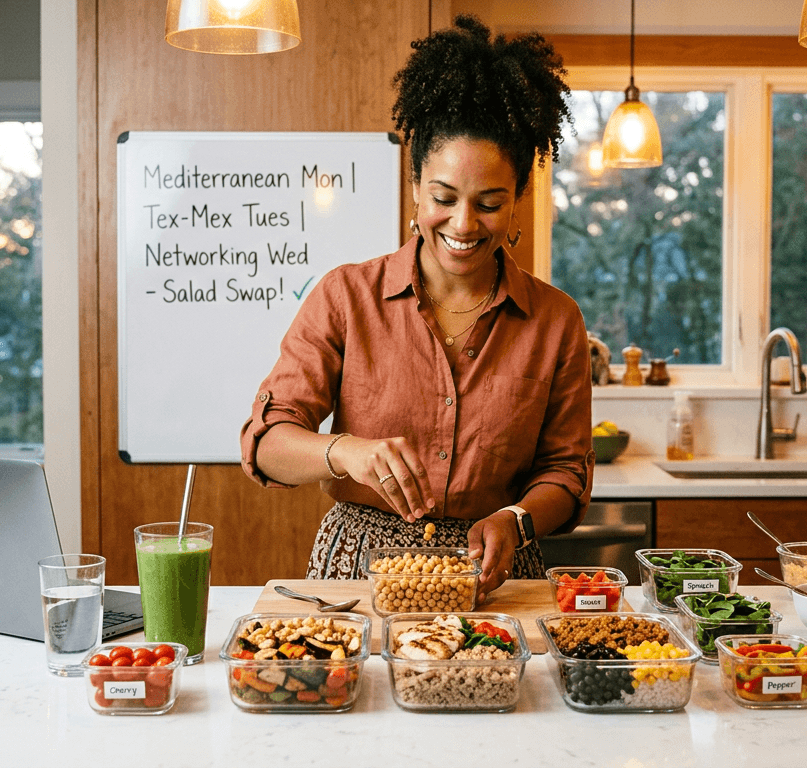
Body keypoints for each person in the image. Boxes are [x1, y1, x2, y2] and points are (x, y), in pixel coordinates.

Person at [240, 15, 593, 601]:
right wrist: (345, 452)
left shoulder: (556, 322)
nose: (462, 223)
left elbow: (567, 472)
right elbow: (266, 443)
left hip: (497, 579)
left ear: (516, 206)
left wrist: (517, 520)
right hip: (358, 575)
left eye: (489, 203)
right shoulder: (346, 297)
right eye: (443, 198)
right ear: (415, 187)